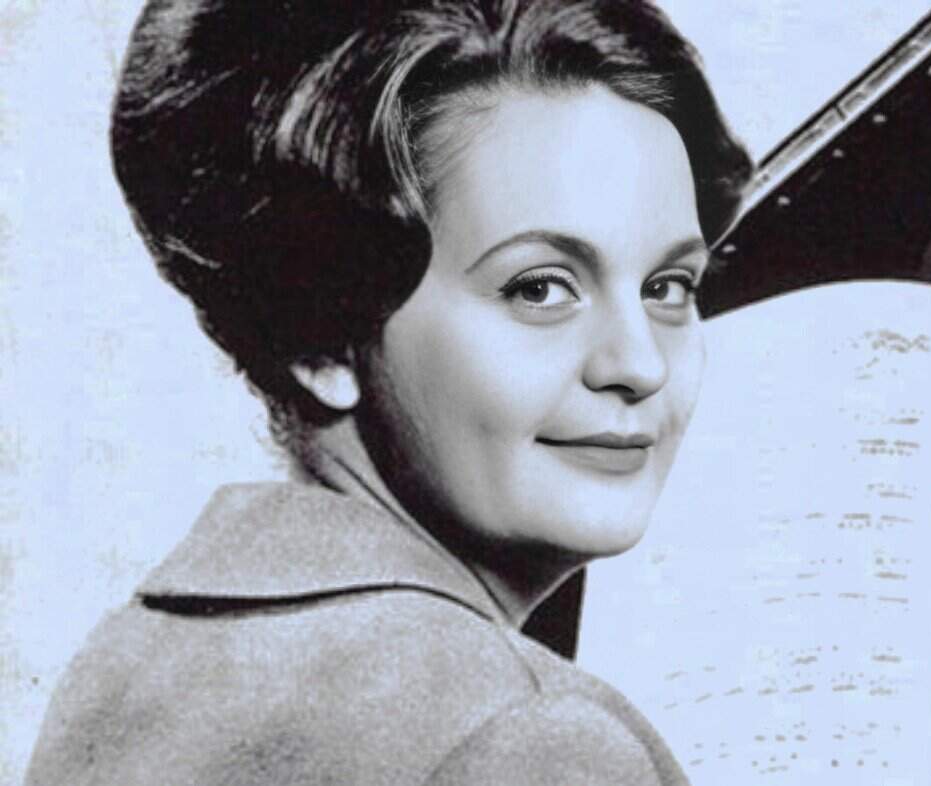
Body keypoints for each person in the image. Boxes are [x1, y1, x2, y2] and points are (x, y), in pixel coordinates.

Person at [24, 1, 752, 783]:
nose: (640, 364)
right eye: (540, 289)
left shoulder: (124, 669)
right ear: (316, 333)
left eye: (670, 286)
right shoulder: (532, 738)